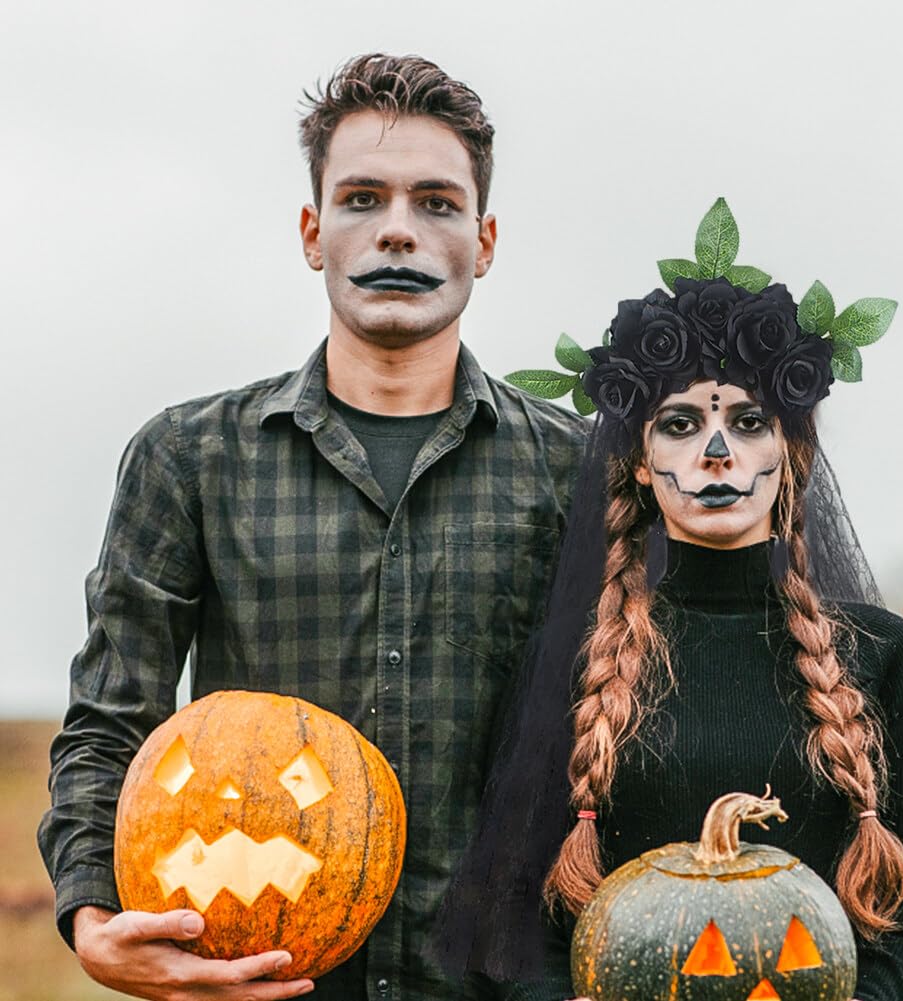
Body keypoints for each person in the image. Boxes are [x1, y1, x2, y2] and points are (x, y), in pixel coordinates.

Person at [37, 54, 587, 1001]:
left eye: (438, 203)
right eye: (362, 198)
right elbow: (111, 717)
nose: (398, 232)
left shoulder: (577, 470)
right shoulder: (188, 456)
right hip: (251, 977)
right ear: (312, 230)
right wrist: (92, 918)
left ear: (485, 239)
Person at [432, 201, 903, 1001]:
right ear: (637, 459)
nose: (714, 450)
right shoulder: (571, 658)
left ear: (789, 452)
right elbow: (519, 915)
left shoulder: (880, 653)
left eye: (746, 420)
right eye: (678, 422)